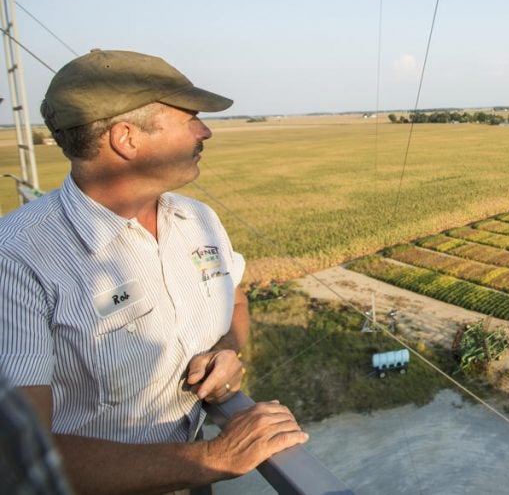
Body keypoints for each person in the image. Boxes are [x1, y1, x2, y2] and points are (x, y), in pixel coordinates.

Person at [0, 49, 308, 493]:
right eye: (190, 119)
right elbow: (21, 453)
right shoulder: (18, 260)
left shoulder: (197, 220)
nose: (205, 131)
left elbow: (234, 297)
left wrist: (226, 351)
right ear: (126, 138)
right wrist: (218, 456)